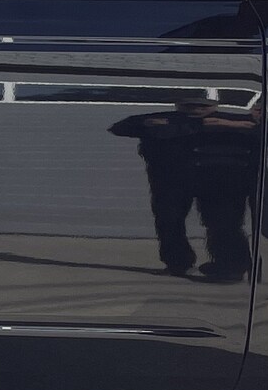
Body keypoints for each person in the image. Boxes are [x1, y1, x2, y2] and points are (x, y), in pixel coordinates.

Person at [109, 97, 258, 280]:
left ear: (214, 105)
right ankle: (178, 262)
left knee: (223, 223)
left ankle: (229, 265)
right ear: (179, 105)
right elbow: (122, 127)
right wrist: (197, 125)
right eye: (190, 105)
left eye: (202, 105)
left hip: (220, 181)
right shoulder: (166, 118)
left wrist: (229, 124)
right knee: (170, 221)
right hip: (173, 179)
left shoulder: (235, 119)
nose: (196, 109)